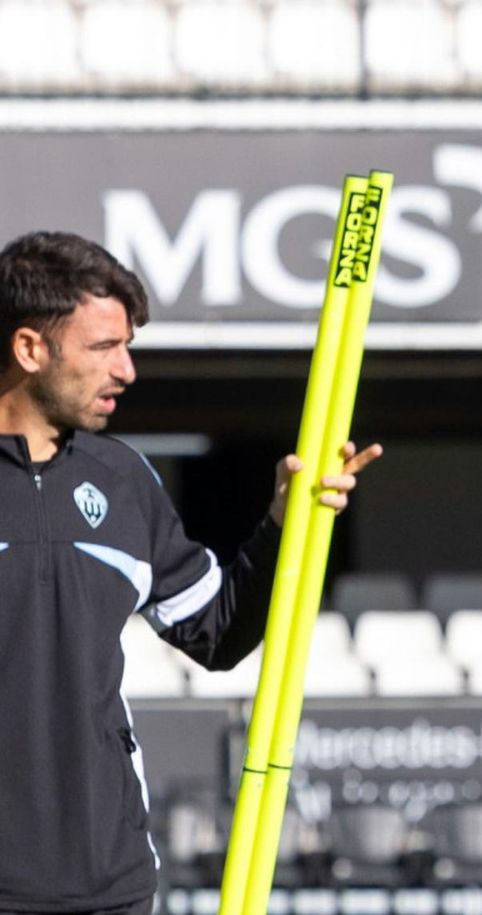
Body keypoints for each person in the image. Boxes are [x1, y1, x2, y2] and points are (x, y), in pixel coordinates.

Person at [0, 230, 381, 914]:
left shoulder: (123, 479)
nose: (126, 371)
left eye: (128, 347)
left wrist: (284, 527)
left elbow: (219, 632)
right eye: (103, 348)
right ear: (30, 348)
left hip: (111, 885)